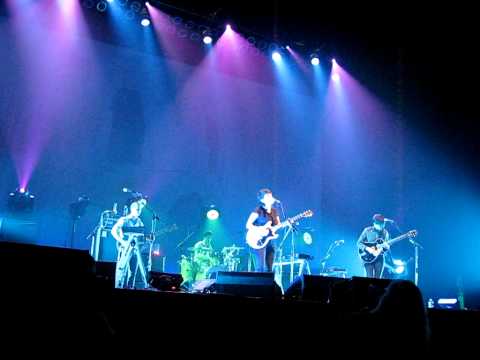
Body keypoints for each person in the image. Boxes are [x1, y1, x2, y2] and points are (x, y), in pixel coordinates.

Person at [111, 197, 148, 288]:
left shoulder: (140, 222)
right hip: (124, 249)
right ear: (132, 209)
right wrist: (122, 241)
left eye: (140, 210)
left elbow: (142, 236)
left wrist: (147, 240)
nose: (139, 211)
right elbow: (113, 231)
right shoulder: (124, 220)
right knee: (122, 271)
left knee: (132, 272)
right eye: (137, 210)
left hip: (135, 250)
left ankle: (130, 288)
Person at [245, 188, 281, 272]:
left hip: (270, 241)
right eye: (267, 196)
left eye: (271, 196)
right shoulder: (259, 210)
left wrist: (287, 223)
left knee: (269, 269)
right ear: (262, 199)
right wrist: (260, 229)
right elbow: (248, 225)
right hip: (259, 240)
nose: (271, 198)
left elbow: (278, 225)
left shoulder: (274, 211)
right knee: (260, 268)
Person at [357, 214, 390, 278]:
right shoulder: (367, 230)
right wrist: (367, 248)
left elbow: (385, 248)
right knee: (369, 277)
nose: (381, 225)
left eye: (382, 224)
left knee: (377, 279)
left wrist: (387, 248)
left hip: (379, 257)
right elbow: (358, 243)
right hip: (367, 257)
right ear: (374, 223)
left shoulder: (385, 233)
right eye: (379, 224)